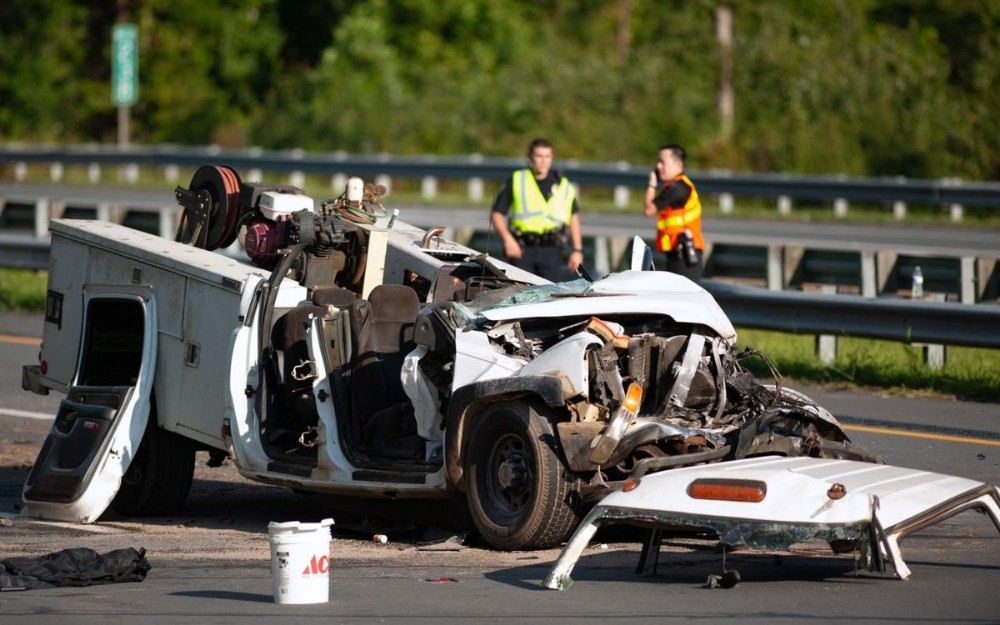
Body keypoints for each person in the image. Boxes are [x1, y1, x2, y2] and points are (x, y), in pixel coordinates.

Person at [490, 138, 584, 282]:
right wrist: (507, 239)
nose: (543, 161)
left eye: (547, 156)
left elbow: (574, 218)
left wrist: (577, 250)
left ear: (552, 158)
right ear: (530, 157)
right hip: (522, 250)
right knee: (521, 294)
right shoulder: (518, 180)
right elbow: (497, 214)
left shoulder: (564, 186)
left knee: (550, 297)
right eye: (539, 156)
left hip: (551, 251)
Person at [643, 144, 704, 281]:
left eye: (662, 162)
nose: (658, 166)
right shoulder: (677, 185)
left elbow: (649, 210)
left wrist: (652, 184)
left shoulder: (677, 187)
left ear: (677, 164)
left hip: (685, 256)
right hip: (678, 254)